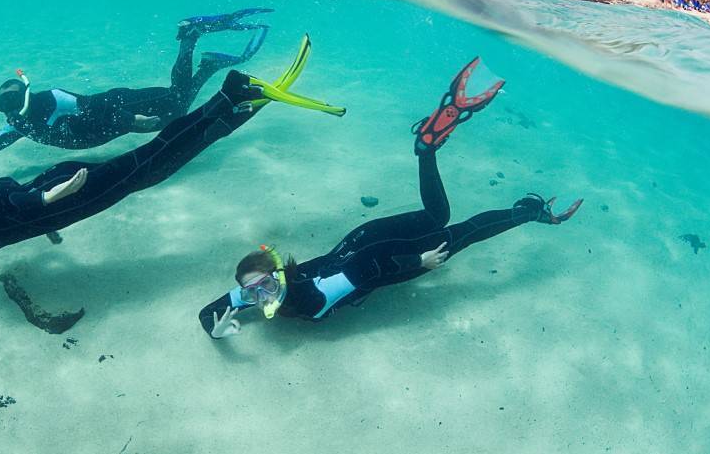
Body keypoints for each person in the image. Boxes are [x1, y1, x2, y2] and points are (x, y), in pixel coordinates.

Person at [198, 58, 582, 338]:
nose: (262, 293)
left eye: (265, 283)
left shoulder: (312, 299)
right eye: (254, 290)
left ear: (278, 273)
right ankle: (428, 149)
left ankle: (531, 212)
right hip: (360, 237)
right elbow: (209, 311)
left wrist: (420, 261)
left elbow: (370, 266)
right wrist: (218, 328)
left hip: (385, 258)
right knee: (438, 215)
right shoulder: (263, 292)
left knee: (460, 233)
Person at [0, 37, 346, 256]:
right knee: (154, 162)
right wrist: (38, 215)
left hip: (69, 189)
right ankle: (241, 102)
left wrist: (45, 201)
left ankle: (233, 92)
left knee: (155, 161)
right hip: (56, 188)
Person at [0, 9, 271, 154]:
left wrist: (132, 121)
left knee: (176, 105)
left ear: (27, 95)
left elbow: (92, 110)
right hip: (118, 117)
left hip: (121, 104)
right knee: (178, 106)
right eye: (2, 104)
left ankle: (191, 38)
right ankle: (204, 59)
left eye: (13, 100)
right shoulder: (18, 124)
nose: (8, 110)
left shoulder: (52, 100)